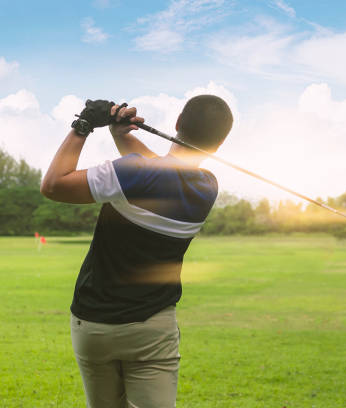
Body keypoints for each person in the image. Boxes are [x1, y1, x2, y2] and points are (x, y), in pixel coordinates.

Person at [40, 95, 233, 408]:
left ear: (178, 123)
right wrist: (121, 135)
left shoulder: (133, 173)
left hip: (93, 325)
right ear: (219, 143)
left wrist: (84, 124)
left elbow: (53, 185)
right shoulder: (206, 188)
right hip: (153, 331)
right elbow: (157, 172)